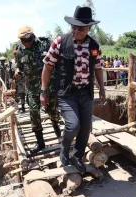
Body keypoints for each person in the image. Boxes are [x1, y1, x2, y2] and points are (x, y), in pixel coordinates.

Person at [41, 6, 106, 172]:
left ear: (89, 28)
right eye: (74, 27)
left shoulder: (94, 45)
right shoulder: (60, 42)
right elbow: (48, 67)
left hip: (86, 92)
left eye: (81, 28)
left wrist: (102, 89)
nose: (76, 30)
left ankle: (77, 156)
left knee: (85, 129)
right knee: (73, 125)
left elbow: (98, 67)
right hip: (66, 92)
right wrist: (44, 91)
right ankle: (64, 147)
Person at [15, 25, 61, 153]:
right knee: (34, 113)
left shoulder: (45, 44)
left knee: (52, 111)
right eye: (23, 41)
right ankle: (40, 142)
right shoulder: (19, 51)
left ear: (33, 36)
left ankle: (55, 124)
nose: (27, 43)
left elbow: (56, 61)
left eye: (28, 39)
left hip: (48, 87)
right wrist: (18, 72)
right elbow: (19, 66)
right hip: (32, 88)